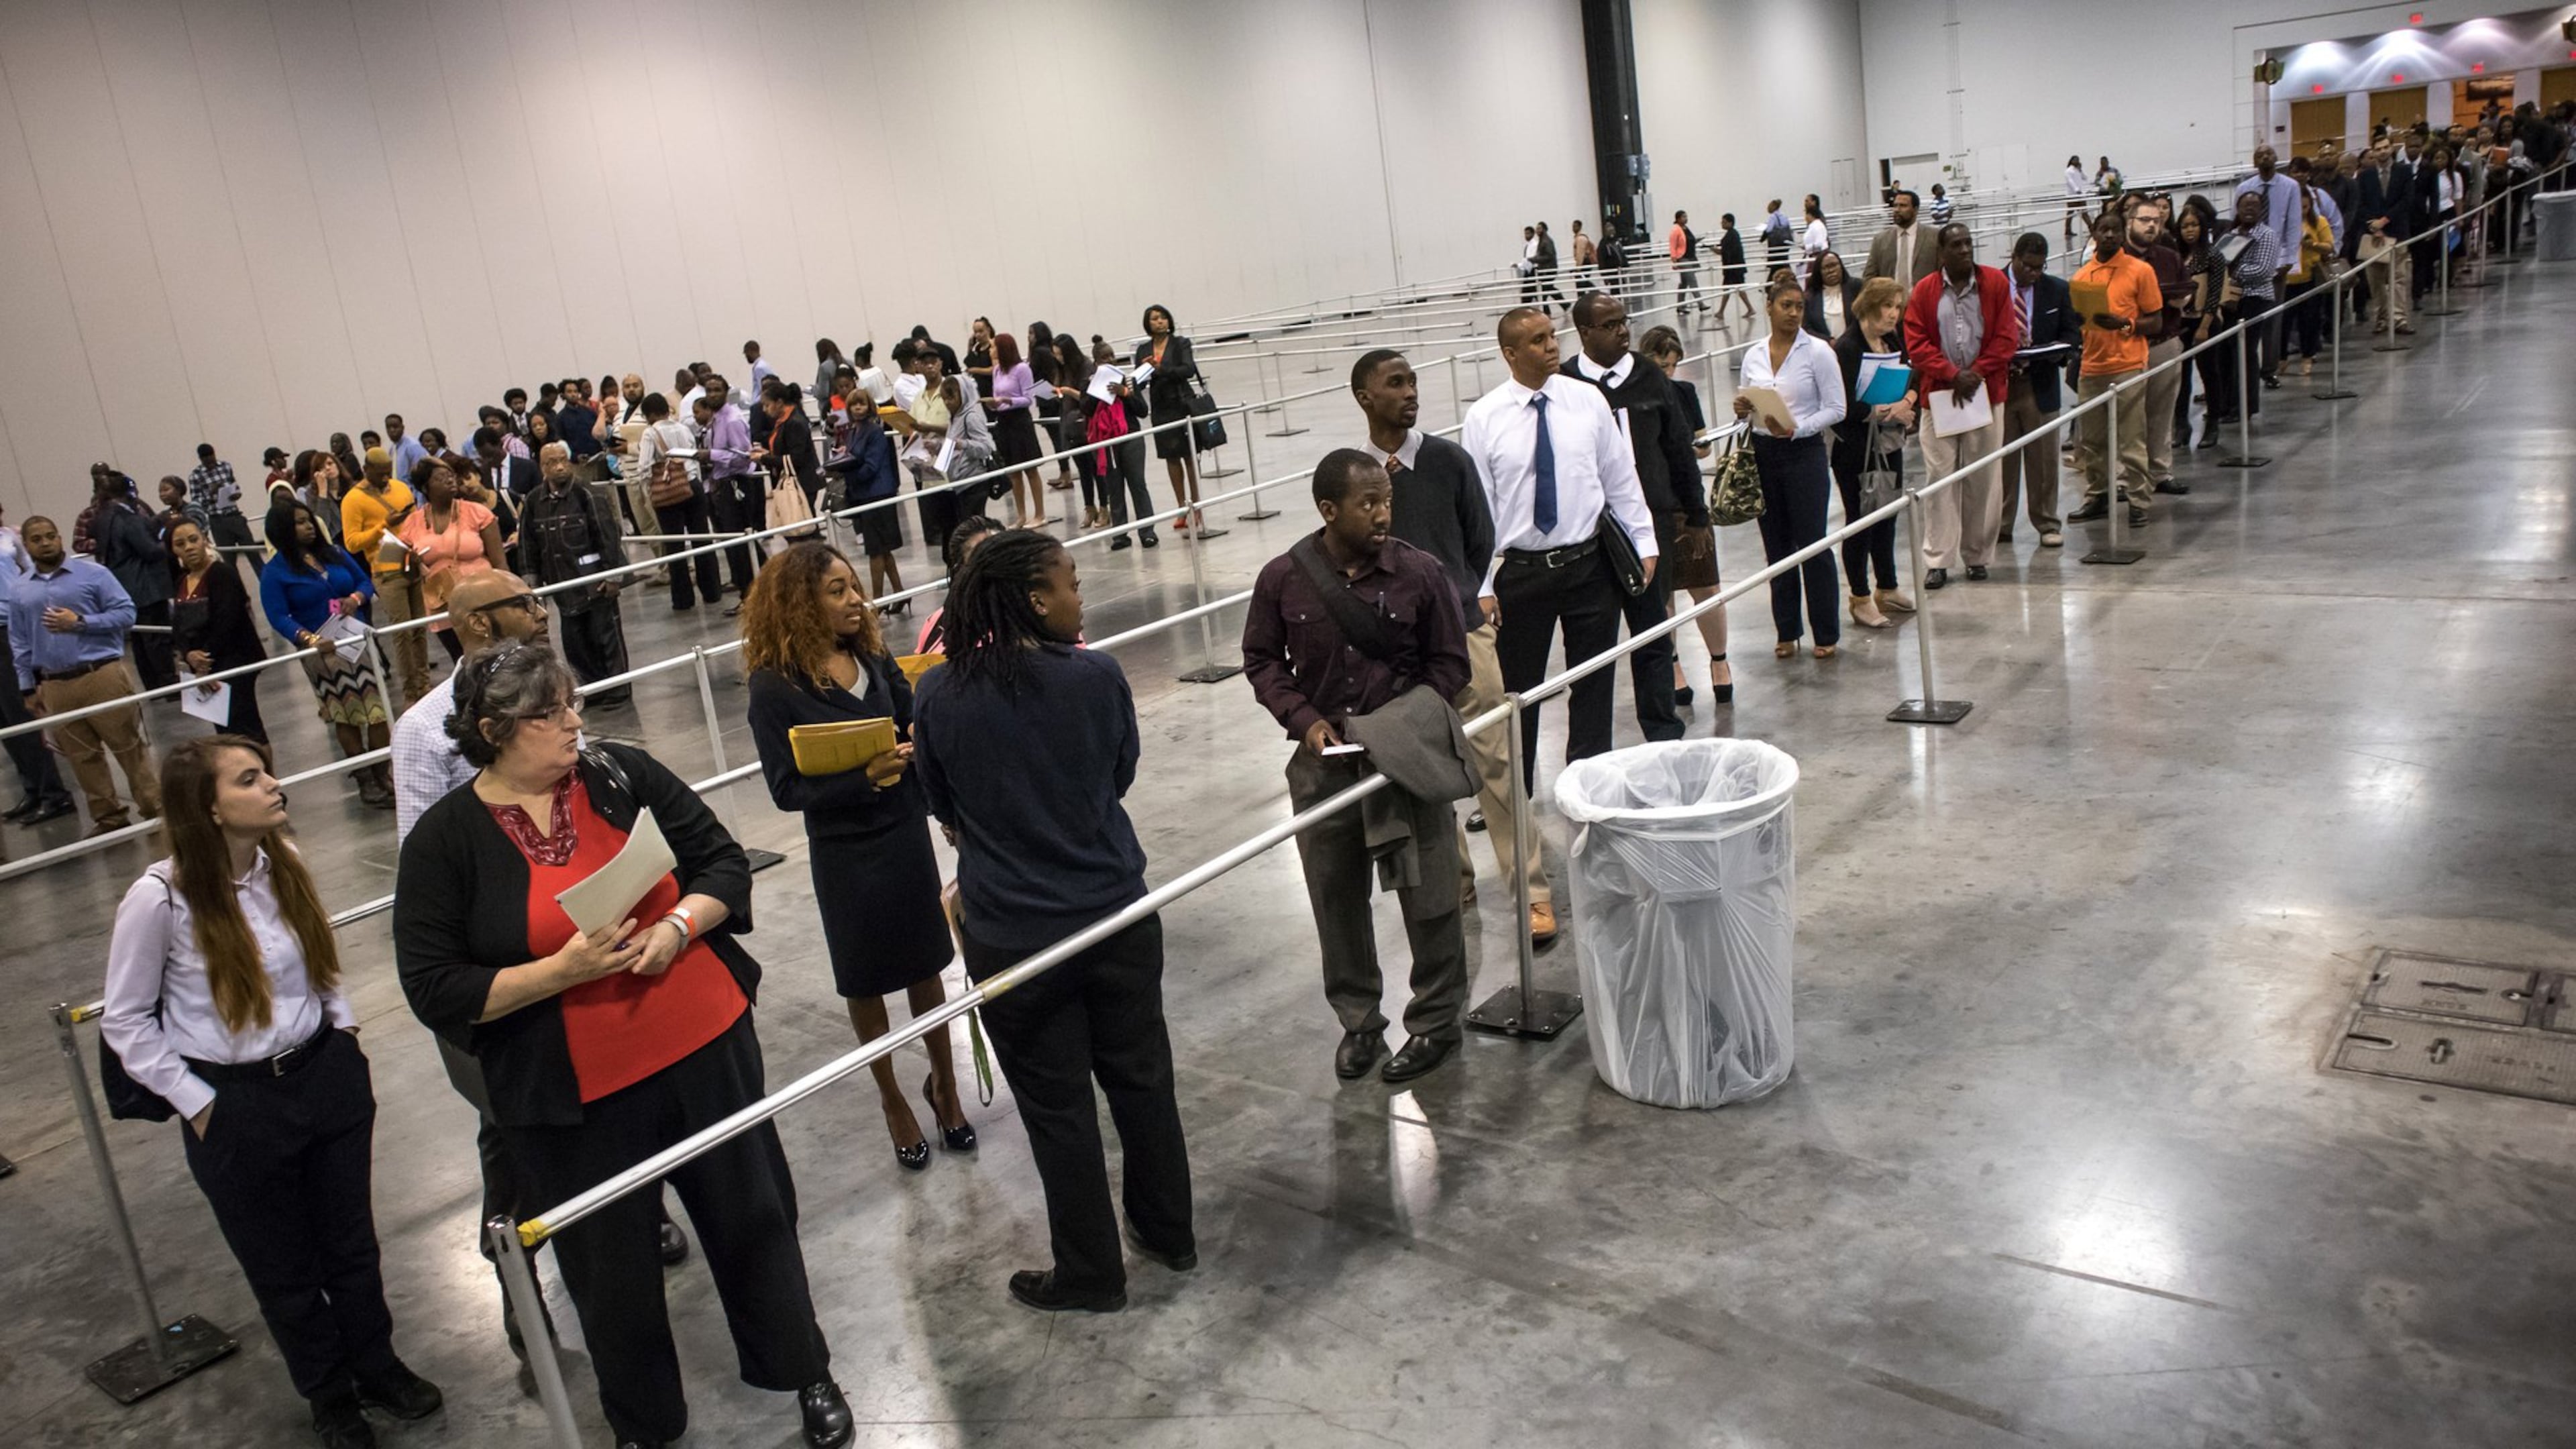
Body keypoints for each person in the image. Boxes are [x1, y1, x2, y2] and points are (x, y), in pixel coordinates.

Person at [394, 646, 854, 1449]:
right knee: (611, 1275)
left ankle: (804, 1369)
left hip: (704, 1044)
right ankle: (644, 1425)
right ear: (496, 730)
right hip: (577, 1096)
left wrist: (681, 925)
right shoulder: (444, 842)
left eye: (572, 703)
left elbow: (719, 861)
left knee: (753, 1216)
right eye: (550, 713)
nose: (575, 721)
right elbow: (434, 986)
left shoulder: (619, 773)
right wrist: (556, 973)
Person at [104, 737, 441, 1449]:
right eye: (251, 779)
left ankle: (378, 1366)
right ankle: (329, 1397)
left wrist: (343, 1033)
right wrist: (196, 1102)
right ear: (210, 809)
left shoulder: (282, 863)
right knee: (283, 1268)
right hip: (236, 1105)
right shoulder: (158, 899)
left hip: (323, 1077)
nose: (275, 786)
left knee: (351, 1244)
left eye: (267, 772)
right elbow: (126, 1019)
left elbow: (319, 962)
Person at [911, 530, 1195, 1313]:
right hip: (1115, 915)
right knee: (1143, 1082)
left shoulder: (936, 695)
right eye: (1071, 584)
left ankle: (1092, 1274)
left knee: (1058, 1112)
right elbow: (1119, 774)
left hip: (1015, 937)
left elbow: (940, 804)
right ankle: (1170, 1233)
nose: (1081, 597)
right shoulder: (1097, 677)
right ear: (1037, 599)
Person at [1243, 450, 1475, 1084]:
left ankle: (1435, 1025)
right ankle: (1360, 1024)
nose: (1382, 514)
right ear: (1328, 509)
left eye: (1386, 502)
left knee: (1430, 896)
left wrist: (1400, 728)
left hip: (1405, 763)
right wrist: (1304, 720)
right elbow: (1262, 660)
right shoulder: (1282, 579)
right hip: (1326, 769)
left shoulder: (1420, 573)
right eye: (1367, 503)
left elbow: (1451, 665)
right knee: (1335, 900)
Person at [741, 543, 974, 1169]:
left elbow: (909, 722)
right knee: (865, 977)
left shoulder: (871, 655)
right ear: (801, 603)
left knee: (928, 964)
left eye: (854, 587)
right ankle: (893, 1099)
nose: (855, 600)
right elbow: (786, 789)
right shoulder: (773, 687)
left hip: (902, 834)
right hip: (844, 851)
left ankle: (945, 1085)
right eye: (838, 591)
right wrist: (863, 778)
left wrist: (934, 796)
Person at [1348, 349, 1554, 943]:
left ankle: (1532, 892)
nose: (1411, 392)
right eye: (1395, 384)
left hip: (1463, 633)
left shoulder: (1447, 460)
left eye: (1413, 380)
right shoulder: (1354, 474)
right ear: (1365, 397)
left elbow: (1480, 537)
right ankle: (1453, 882)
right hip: (1394, 651)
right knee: (1425, 768)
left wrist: (1462, 598)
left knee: (1496, 759)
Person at [1459, 307, 1659, 789]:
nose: (1552, 346)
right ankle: (1514, 792)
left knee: (1593, 682)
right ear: (1509, 354)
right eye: (1536, 341)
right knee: (1516, 691)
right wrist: (1482, 585)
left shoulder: (1587, 402)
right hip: (1522, 574)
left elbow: (1620, 477)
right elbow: (1477, 510)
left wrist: (1644, 540)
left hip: (1590, 565)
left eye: (1552, 336)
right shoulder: (1484, 418)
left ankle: (1587, 783)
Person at [1562, 291, 1706, 744]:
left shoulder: (1649, 378)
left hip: (1650, 524)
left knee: (1653, 635)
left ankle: (1663, 733)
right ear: (1584, 333)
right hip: (1588, 534)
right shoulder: (1566, 384)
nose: (1623, 331)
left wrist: (1696, 513)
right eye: (1610, 325)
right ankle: (1588, 750)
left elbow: (1679, 448)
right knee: (1591, 647)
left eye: (1624, 322)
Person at [9, 516, 162, 833]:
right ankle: (108, 817)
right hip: (55, 684)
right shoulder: (20, 591)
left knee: (128, 745)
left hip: (101, 674)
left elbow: (126, 613)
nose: (46, 543)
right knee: (81, 756)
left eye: (51, 536)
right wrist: (27, 688)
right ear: (27, 545)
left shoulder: (94, 574)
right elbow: (20, 642)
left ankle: (155, 808)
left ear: (60, 537)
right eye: (37, 539)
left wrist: (80, 622)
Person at [1901, 223, 2020, 588]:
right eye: (1956, 245)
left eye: (1969, 243)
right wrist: (1951, 374)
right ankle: (1938, 559)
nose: (1965, 250)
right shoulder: (1924, 291)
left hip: (1984, 394)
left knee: (1984, 476)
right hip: (1939, 397)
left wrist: (1976, 373)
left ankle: (1978, 555)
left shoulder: (1996, 285)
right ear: (1942, 253)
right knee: (1939, 478)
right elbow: (1916, 341)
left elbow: (2006, 337)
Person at [1734, 277, 1847, 656]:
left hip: (1804, 456)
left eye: (1799, 306)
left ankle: (1826, 633)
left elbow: (1836, 408)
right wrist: (1743, 410)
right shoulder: (1753, 355)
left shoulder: (1818, 353)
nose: (1794, 313)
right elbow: (1748, 401)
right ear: (1769, 306)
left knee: (1813, 543)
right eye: (1786, 305)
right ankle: (1786, 630)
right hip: (1764, 455)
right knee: (1776, 546)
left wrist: (1798, 430)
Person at [258, 502, 395, 810]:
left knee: (377, 710)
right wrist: (308, 638)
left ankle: (382, 772)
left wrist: (355, 598)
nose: (308, 527)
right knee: (345, 712)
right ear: (282, 530)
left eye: (309, 521)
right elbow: (278, 616)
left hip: (357, 641)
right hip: (323, 652)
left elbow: (364, 580)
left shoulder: (333, 554)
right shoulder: (275, 571)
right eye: (299, 523)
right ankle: (364, 779)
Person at [1638, 326, 1734, 705]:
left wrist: (1691, 447)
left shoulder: (1684, 393)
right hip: (1649, 505)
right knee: (1662, 596)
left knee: (1707, 587)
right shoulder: (1634, 399)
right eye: (1661, 364)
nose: (1668, 372)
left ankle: (1719, 660)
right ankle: (1674, 664)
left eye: (1674, 365)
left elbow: (1703, 444)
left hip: (1686, 501)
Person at [2065, 211, 2165, 531]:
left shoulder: (2140, 271)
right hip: (2092, 367)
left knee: (2131, 439)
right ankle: (2098, 494)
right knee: (2093, 441)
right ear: (2094, 232)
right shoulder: (2082, 277)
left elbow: (2157, 321)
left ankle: (2138, 500)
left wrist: (2125, 323)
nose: (2108, 235)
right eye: (2103, 230)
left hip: (2128, 365)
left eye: (2114, 230)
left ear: (2122, 234)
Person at [1829, 278, 1919, 627]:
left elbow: (1912, 378)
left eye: (1898, 307)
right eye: (1889, 306)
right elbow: (1843, 406)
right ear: (1870, 306)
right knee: (1861, 519)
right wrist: (1886, 411)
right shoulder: (1847, 348)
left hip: (1888, 442)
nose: (1894, 314)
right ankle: (1860, 596)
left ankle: (1888, 586)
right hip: (1854, 447)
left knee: (1888, 514)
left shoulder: (1892, 340)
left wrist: (1907, 402)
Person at [516, 442, 631, 709]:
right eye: (552, 462)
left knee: (606, 636)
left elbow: (608, 536)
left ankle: (618, 689)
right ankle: (593, 688)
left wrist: (613, 576)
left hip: (594, 582)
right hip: (562, 586)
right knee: (575, 642)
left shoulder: (587, 494)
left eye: (563, 460)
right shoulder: (534, 501)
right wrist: (531, 584)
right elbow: (528, 543)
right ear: (542, 467)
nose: (559, 467)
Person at [1996, 233, 2081, 550]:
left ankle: (2046, 522)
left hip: (2039, 382)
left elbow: (2072, 335)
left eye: (2039, 268)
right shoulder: (1992, 285)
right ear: (2014, 257)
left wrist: (2055, 351)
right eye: (2029, 267)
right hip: (2002, 386)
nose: (2034, 273)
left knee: (2044, 459)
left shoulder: (2057, 289)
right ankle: (2002, 525)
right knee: (2001, 459)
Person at [338, 449, 432, 706]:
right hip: (386, 572)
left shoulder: (400, 488)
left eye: (388, 473)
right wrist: (383, 526)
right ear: (366, 470)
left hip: (411, 564)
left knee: (419, 628)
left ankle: (424, 683)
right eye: (379, 475)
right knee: (401, 632)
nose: (385, 479)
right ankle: (410, 691)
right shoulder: (353, 500)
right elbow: (352, 543)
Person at [0, 529, 78, 825]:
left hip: (6, 629)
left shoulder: (9, 536)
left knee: (21, 715)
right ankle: (32, 788)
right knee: (4, 721)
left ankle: (54, 794)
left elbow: (30, 570)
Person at [168, 518, 270, 744]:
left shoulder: (222, 573)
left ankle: (265, 775)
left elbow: (227, 620)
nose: (189, 547)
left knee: (246, 727)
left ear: (205, 539)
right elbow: (177, 625)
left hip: (233, 661)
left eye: (194, 540)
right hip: (202, 664)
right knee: (225, 732)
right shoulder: (181, 581)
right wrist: (188, 655)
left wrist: (204, 658)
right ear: (174, 550)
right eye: (181, 544)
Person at [397, 456, 504, 663]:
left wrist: (508, 599)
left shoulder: (478, 512)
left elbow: (500, 562)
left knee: (495, 656)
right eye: (441, 478)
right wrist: (413, 562)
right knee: (463, 662)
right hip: (443, 605)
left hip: (483, 599)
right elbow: (407, 575)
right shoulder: (412, 523)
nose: (450, 480)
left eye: (450, 475)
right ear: (425, 487)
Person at [87, 468, 179, 689]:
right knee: (157, 637)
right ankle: (168, 682)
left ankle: (153, 686)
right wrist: (168, 543)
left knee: (140, 640)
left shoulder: (102, 517)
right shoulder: (128, 518)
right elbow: (149, 551)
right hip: (146, 586)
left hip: (125, 585)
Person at [630, 394, 722, 612]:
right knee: (702, 540)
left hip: (669, 495)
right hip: (693, 487)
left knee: (675, 547)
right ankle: (712, 592)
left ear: (649, 415)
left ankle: (683, 599)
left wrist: (649, 493)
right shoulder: (683, 428)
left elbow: (643, 468)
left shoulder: (650, 434)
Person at [822, 372, 909, 604]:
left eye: (861, 404)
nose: (858, 408)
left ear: (869, 406)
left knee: (875, 551)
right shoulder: (852, 431)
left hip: (877, 495)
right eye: (853, 405)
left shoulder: (875, 432)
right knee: (883, 550)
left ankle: (877, 603)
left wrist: (846, 472)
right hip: (865, 496)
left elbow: (871, 466)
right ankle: (901, 594)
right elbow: (850, 456)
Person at [2128, 199, 2191, 498]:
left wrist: (2177, 300)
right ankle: (2126, 477)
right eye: (2144, 220)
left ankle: (2160, 471)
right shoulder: (2118, 259)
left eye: (2156, 220)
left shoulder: (2169, 257)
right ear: (2130, 222)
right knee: (2128, 415)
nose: (2151, 225)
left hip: (2164, 342)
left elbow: (2186, 291)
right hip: (2129, 346)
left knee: (2162, 411)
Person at [1133, 305, 1210, 533]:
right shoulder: (1143, 349)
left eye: (1163, 317)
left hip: (1181, 403)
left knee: (1189, 455)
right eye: (1155, 319)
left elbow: (1187, 370)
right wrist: (1144, 371)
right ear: (1148, 324)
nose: (1160, 322)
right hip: (1160, 408)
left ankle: (1197, 505)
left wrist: (1161, 368)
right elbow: (1141, 381)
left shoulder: (1181, 344)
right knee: (1171, 457)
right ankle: (1181, 507)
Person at [2233, 146, 2300, 388]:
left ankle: (2269, 368)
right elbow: (2236, 226)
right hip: (2247, 261)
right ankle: (2243, 370)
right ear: (2254, 160)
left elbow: (2293, 224)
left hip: (2278, 259)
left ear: (2276, 158)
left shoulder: (2290, 187)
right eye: (2260, 155)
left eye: (2269, 154)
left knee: (2272, 317)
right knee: (2243, 322)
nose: (2265, 158)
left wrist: (2289, 260)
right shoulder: (2244, 188)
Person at [1084, 342, 1159, 551]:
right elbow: (1087, 410)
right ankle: (1120, 535)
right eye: (1105, 358)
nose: (1111, 360)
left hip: (1131, 437)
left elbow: (1142, 411)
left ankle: (1147, 532)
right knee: (1114, 489)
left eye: (1112, 356)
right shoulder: (1090, 385)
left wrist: (1125, 393)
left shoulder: (1129, 380)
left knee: (1138, 484)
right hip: (1106, 443)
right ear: (1096, 362)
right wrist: (1097, 391)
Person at [2218, 191, 2283, 419]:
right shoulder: (2231, 235)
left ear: (2261, 210)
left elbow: (2264, 270)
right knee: (2226, 352)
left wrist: (2235, 272)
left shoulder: (2267, 236)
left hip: (2255, 299)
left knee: (2245, 352)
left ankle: (2246, 406)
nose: (2249, 210)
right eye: (2245, 205)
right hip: (2229, 300)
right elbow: (2218, 262)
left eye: (2254, 206)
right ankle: (2226, 403)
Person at [702, 374, 763, 610]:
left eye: (717, 390)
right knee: (735, 541)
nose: (713, 394)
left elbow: (741, 456)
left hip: (736, 483)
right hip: (721, 484)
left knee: (742, 543)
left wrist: (712, 456)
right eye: (709, 390)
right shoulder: (715, 419)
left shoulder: (732, 419)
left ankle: (751, 595)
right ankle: (750, 592)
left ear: (726, 392)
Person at [987, 332, 1049, 529]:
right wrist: (993, 405)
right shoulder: (997, 370)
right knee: (1013, 472)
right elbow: (996, 395)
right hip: (1003, 421)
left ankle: (1040, 514)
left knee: (1030, 469)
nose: (991, 350)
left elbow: (1028, 398)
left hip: (1020, 421)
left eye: (994, 346)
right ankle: (1021, 515)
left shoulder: (1022, 369)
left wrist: (1008, 401)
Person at [2356, 142, 2417, 337]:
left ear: (2391, 149)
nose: (2382, 152)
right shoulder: (2365, 176)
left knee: (2399, 278)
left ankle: (2400, 319)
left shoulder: (2404, 171)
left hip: (2398, 231)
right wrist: (2374, 226)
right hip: (2374, 236)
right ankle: (2381, 318)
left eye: (2385, 147)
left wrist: (2385, 220)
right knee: (2376, 280)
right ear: (2373, 152)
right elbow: (2361, 204)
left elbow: (2407, 201)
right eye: (2378, 148)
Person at [189, 442, 259, 563]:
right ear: (201, 459)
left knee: (253, 554)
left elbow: (234, 485)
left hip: (234, 515)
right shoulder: (196, 476)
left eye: (212, 457)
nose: (211, 461)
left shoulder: (225, 467)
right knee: (229, 559)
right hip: (217, 520)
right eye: (207, 459)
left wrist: (236, 494)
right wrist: (210, 494)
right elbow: (196, 502)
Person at [1865, 189, 1941, 294]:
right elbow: (1869, 277)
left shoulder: (1934, 236)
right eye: (1895, 206)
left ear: (1915, 210)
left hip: (1924, 303)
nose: (1897, 210)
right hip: (1891, 306)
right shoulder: (1880, 240)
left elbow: (1943, 273)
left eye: (1903, 206)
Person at [1802, 250, 1862, 341]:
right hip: (1824, 349)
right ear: (1819, 272)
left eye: (1834, 265)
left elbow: (1865, 318)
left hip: (1855, 346)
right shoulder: (1810, 297)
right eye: (1825, 268)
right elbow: (1807, 329)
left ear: (1841, 266)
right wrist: (1828, 341)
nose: (1831, 271)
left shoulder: (1857, 287)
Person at [1715, 213, 1753, 320]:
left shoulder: (1732, 235)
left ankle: (1749, 308)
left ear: (1730, 223)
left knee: (1735, 288)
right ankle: (1721, 312)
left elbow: (1728, 252)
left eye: (1724, 222)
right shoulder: (1732, 235)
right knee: (1731, 289)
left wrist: (1718, 251)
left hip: (1733, 268)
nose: (1722, 224)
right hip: (1733, 268)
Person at [1667, 209, 1703, 314]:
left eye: (1686, 217)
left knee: (1684, 283)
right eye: (1683, 217)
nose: (1686, 219)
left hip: (1690, 257)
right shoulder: (1676, 230)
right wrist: (1674, 260)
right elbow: (1673, 245)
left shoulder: (1686, 228)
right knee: (1692, 280)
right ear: (1678, 219)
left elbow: (1687, 241)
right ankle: (1701, 303)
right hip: (1683, 258)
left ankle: (1680, 306)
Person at [385, 414, 429, 482]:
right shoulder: (392, 449)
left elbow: (421, 473)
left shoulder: (413, 446)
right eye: (388, 428)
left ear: (402, 427)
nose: (392, 430)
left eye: (395, 427)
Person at [1799, 195, 1830, 282]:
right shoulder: (1814, 225)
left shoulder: (1817, 225)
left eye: (1807, 201)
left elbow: (1820, 243)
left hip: (1817, 257)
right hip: (1815, 255)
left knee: (1812, 281)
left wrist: (1807, 247)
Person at [1760, 199, 1794, 276]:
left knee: (1776, 264)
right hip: (1785, 243)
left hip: (1776, 244)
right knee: (1784, 261)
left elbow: (1769, 230)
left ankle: (1770, 284)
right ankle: (1789, 276)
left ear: (1774, 207)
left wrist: (1762, 239)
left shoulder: (1773, 217)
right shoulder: (1784, 216)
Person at [2064, 154, 2091, 240]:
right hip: (2073, 195)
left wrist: (2081, 170)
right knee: (2071, 214)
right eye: (2076, 160)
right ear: (2072, 161)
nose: (2078, 162)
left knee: (2084, 213)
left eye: (2078, 160)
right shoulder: (2068, 171)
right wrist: (2076, 190)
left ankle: (2091, 228)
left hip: (2080, 195)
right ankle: (2067, 230)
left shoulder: (2078, 170)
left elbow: (2085, 178)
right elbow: (2070, 181)